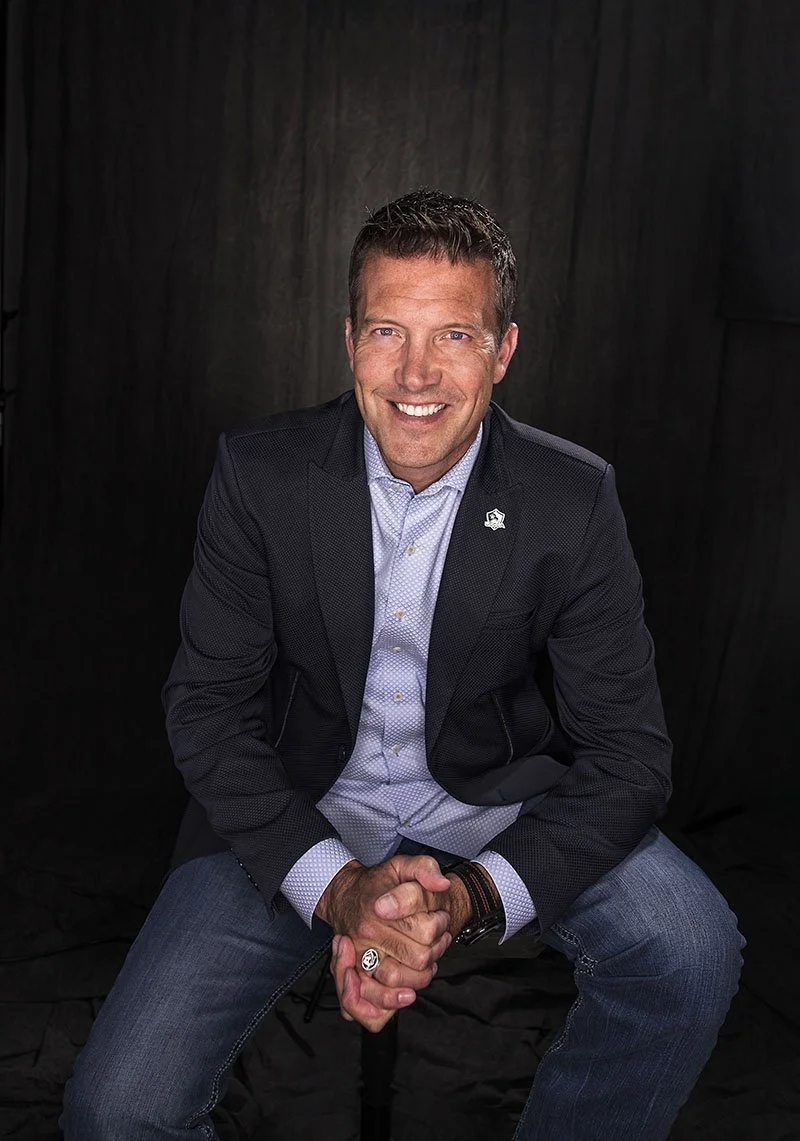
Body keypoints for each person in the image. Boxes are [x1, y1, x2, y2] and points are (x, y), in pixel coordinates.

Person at [61, 188, 744, 1140]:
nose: (417, 372)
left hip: (494, 803)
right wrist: (343, 892)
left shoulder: (572, 498)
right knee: (115, 1110)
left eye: (454, 335)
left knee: (692, 947)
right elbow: (208, 713)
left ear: (503, 351)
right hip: (300, 802)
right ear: (350, 341)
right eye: (389, 330)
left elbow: (631, 758)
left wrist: (468, 899)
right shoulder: (260, 474)